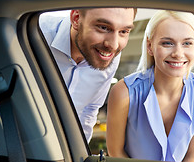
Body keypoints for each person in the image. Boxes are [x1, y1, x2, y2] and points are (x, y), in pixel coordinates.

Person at [106, 10, 194, 162]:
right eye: (167, 43)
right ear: (150, 46)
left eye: (187, 43)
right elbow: (116, 152)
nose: (178, 53)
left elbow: (192, 157)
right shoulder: (124, 92)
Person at [39, 8, 136, 142]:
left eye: (124, 31)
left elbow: (89, 109)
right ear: (76, 19)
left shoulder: (108, 56)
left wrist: (80, 156)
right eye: (103, 27)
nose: (113, 45)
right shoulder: (36, 33)